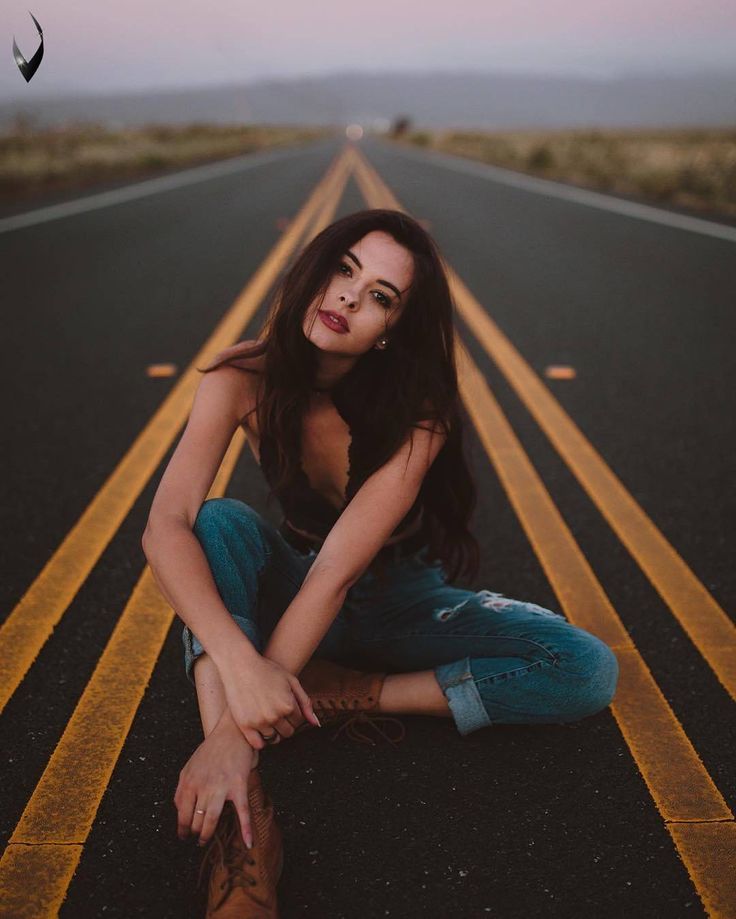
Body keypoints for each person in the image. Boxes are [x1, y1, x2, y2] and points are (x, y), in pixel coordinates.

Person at [142, 208, 619, 917]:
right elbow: (166, 524)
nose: (347, 299)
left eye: (379, 296)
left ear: (392, 327)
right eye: (344, 270)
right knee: (217, 526)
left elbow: (342, 570)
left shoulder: (420, 411)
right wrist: (248, 673)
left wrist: (238, 724)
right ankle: (245, 829)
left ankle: (333, 697)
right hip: (297, 585)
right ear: (315, 269)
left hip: (398, 597)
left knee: (586, 668)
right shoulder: (241, 377)